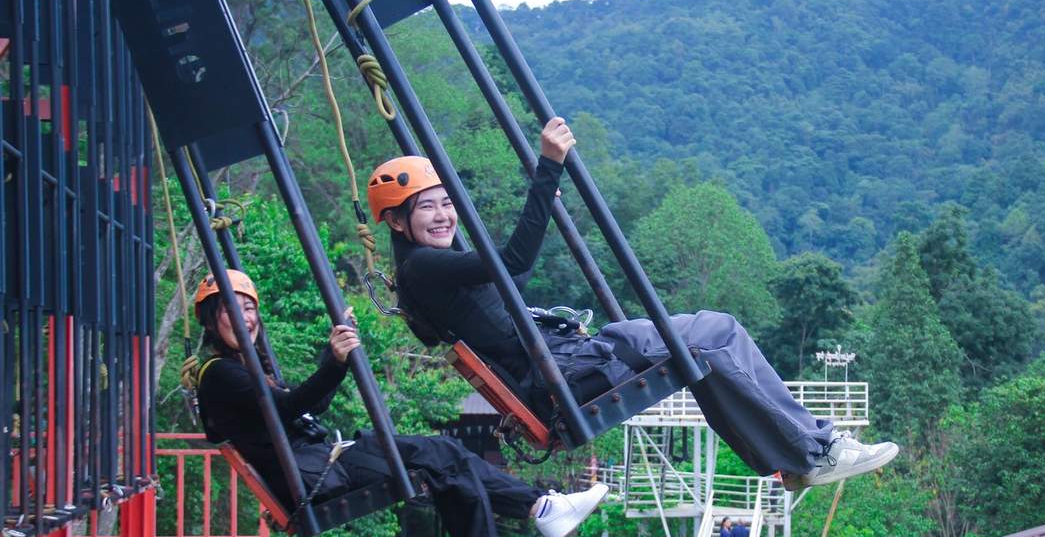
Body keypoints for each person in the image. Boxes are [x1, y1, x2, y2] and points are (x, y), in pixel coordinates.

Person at [367, 119, 899, 490]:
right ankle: (814, 451)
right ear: (396, 222)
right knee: (715, 333)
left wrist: (540, 204)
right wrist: (547, 168)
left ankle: (795, 459)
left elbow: (507, 269)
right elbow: (512, 264)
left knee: (708, 350)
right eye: (426, 209)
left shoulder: (424, 269)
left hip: (562, 363)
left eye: (446, 204)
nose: (443, 216)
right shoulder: (424, 268)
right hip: (564, 374)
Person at [191, 269, 607, 537]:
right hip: (315, 476)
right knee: (443, 454)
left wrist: (331, 366)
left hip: (318, 464)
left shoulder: (239, 369)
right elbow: (289, 408)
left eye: (249, 308)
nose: (244, 317)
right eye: (231, 308)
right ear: (212, 319)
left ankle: (537, 510)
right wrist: (332, 361)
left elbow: (299, 408)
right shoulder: (222, 374)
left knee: (447, 454)